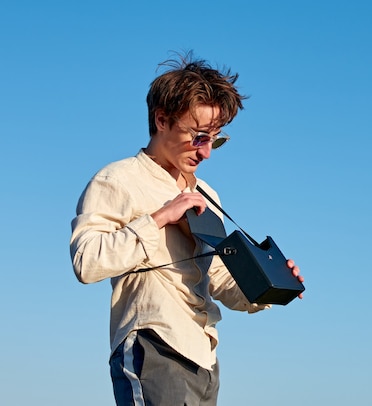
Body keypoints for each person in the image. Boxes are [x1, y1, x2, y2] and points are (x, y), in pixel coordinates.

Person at [69, 53, 304, 406]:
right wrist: (158, 218)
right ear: (161, 120)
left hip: (205, 357)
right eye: (198, 137)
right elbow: (87, 262)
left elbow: (221, 280)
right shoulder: (117, 180)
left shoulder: (207, 194)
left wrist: (268, 288)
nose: (207, 152)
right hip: (154, 342)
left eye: (215, 139)